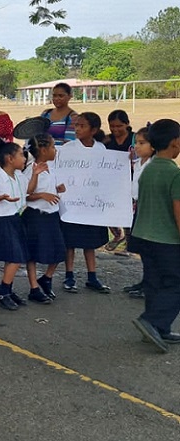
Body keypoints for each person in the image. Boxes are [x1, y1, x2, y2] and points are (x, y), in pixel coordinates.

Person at [129, 119, 180, 354]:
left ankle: (158, 328)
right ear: (174, 143)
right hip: (166, 238)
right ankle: (153, 321)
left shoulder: (148, 169)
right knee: (175, 284)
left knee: (154, 282)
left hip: (144, 235)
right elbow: (178, 213)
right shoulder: (173, 173)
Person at [59, 112, 112, 294]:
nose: (77, 129)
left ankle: (92, 276)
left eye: (82, 126)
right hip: (72, 203)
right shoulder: (67, 148)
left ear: (94, 130)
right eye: (76, 125)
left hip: (91, 203)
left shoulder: (101, 149)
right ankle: (69, 275)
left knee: (90, 243)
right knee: (70, 243)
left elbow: (105, 175)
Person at [0, 142, 30, 310]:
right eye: (21, 155)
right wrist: (1, 197)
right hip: (3, 221)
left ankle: (7, 289)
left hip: (16, 220)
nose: (24, 158)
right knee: (16, 257)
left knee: (13, 257)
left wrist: (37, 174)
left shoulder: (19, 176)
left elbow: (27, 190)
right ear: (10, 159)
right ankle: (3, 291)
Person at [22, 133, 65, 303]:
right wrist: (42, 195)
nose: (56, 150)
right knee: (32, 253)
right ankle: (34, 288)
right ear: (43, 149)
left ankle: (46, 278)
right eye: (53, 147)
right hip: (36, 216)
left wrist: (56, 188)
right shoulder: (31, 169)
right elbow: (26, 194)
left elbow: (49, 187)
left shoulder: (51, 166)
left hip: (52, 216)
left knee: (58, 250)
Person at [123, 127, 156, 299]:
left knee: (149, 250)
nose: (137, 147)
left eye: (142, 143)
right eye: (136, 143)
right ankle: (145, 281)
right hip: (137, 209)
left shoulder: (153, 165)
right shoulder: (137, 163)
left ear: (154, 145)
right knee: (142, 250)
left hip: (147, 210)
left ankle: (151, 285)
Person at [104, 110, 136, 251]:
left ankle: (129, 245)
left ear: (127, 124)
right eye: (112, 126)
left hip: (132, 181)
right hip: (112, 181)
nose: (115, 129)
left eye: (119, 126)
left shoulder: (135, 139)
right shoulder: (107, 140)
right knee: (110, 209)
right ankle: (117, 234)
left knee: (129, 214)